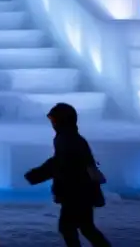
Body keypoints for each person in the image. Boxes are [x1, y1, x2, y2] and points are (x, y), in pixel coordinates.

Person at [24, 103, 111, 247]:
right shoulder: (69, 137)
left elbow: (61, 164)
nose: (52, 124)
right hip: (81, 190)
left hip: (76, 191)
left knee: (70, 228)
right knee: (84, 227)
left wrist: (37, 175)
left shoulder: (67, 139)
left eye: (54, 120)